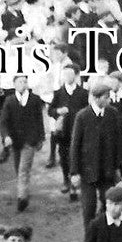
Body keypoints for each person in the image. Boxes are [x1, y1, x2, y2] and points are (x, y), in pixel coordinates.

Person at [69, 83, 122, 226]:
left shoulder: (113, 113)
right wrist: (74, 172)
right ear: (96, 98)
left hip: (107, 171)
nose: (109, 100)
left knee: (108, 205)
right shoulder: (82, 116)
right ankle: (89, 241)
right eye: (106, 97)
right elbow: (75, 145)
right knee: (89, 208)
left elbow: (118, 142)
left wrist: (118, 167)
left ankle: (105, 235)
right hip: (88, 171)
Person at [0, 74, 46, 213]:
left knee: (23, 169)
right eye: (19, 82)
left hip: (29, 140)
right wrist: (6, 136)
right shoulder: (9, 100)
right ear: (14, 84)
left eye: (25, 81)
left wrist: (40, 138)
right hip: (15, 141)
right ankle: (23, 189)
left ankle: (22, 198)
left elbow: (39, 120)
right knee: (18, 167)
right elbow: (3, 121)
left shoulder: (35, 99)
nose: (22, 84)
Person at [48, 61, 88, 198]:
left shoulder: (83, 93)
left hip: (78, 131)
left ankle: (74, 184)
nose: (67, 77)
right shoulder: (59, 92)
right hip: (63, 132)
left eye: (70, 74)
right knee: (64, 157)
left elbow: (87, 111)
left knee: (77, 157)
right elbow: (50, 110)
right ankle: (66, 179)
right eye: (65, 74)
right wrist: (58, 111)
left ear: (76, 76)